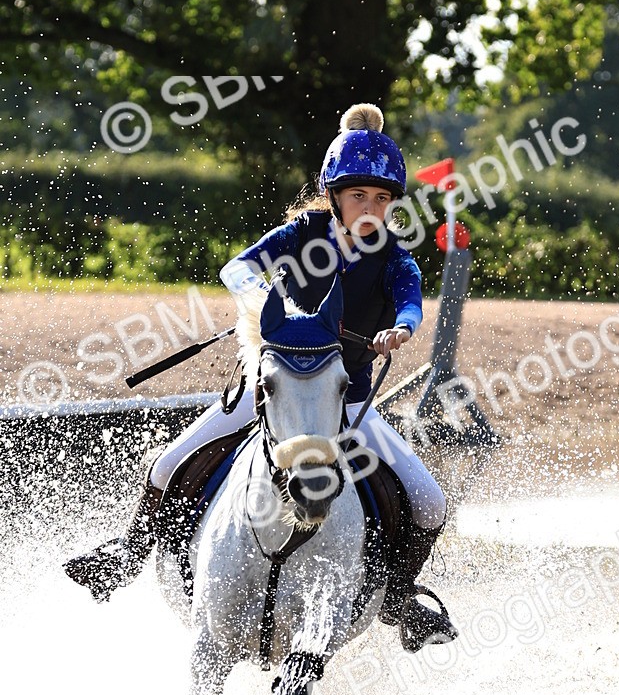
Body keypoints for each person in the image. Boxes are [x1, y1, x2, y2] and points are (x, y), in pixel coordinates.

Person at [64, 103, 458, 651]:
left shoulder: (393, 256)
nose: (370, 209)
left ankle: (399, 597)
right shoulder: (302, 233)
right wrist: (264, 305)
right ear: (335, 195)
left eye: (383, 199)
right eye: (359, 196)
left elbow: (411, 304)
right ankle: (128, 555)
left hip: (345, 407)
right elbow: (238, 269)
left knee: (430, 501)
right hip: (272, 395)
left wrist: (400, 330)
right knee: (168, 464)